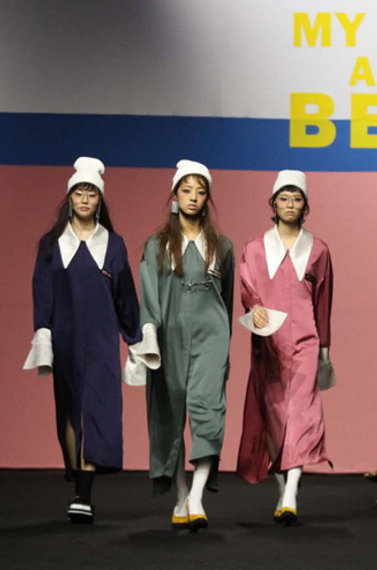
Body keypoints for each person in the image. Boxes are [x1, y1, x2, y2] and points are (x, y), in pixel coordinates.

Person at [24, 157, 142, 524]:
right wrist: (43, 334)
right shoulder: (51, 244)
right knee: (70, 412)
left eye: (92, 193)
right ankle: (79, 486)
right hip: (65, 340)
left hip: (102, 342)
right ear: (70, 197)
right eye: (79, 192)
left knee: (98, 410)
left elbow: (125, 296)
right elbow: (42, 293)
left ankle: (84, 495)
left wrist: (135, 340)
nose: (85, 199)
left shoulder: (114, 245)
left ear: (100, 199)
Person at [131, 159, 234, 532]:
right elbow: (149, 294)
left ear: (208, 198)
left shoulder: (221, 246)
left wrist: (225, 347)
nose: (193, 197)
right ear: (175, 195)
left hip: (211, 337)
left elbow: (226, 298)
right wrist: (149, 336)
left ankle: (197, 498)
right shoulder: (158, 244)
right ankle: (180, 495)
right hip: (168, 338)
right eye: (186, 190)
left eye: (200, 191)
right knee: (169, 416)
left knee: (209, 413)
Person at [236, 170, 335, 526]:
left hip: (306, 341)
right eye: (284, 198)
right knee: (275, 419)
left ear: (305, 206)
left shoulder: (318, 250)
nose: (290, 204)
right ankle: (284, 489)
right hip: (269, 344)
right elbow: (248, 291)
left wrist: (324, 348)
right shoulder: (254, 248)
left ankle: (291, 491)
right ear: (273, 204)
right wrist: (254, 308)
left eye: (296, 198)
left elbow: (323, 302)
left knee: (303, 415)